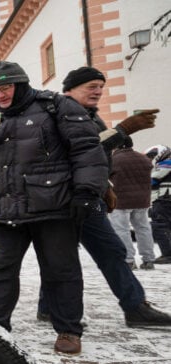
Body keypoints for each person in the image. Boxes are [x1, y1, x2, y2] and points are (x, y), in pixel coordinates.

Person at [0, 61, 108, 355]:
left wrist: (86, 191)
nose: (0, 96)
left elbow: (87, 150)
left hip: (52, 205)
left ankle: (68, 329)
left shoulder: (56, 106)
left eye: (5, 88)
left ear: (21, 84)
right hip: (7, 208)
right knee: (1, 271)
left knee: (60, 270)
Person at [36, 66, 171, 328]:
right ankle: (49, 307)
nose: (98, 91)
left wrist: (105, 184)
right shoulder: (54, 116)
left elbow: (95, 159)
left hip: (89, 198)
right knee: (60, 257)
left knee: (111, 250)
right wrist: (122, 130)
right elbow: (78, 149)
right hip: (63, 197)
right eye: (91, 86)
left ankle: (135, 306)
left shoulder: (93, 118)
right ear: (69, 90)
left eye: (101, 86)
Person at [110, 139, 157, 269]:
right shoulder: (143, 158)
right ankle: (148, 259)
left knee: (122, 230)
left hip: (121, 201)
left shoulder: (114, 160)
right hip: (142, 200)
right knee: (143, 229)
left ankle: (128, 259)